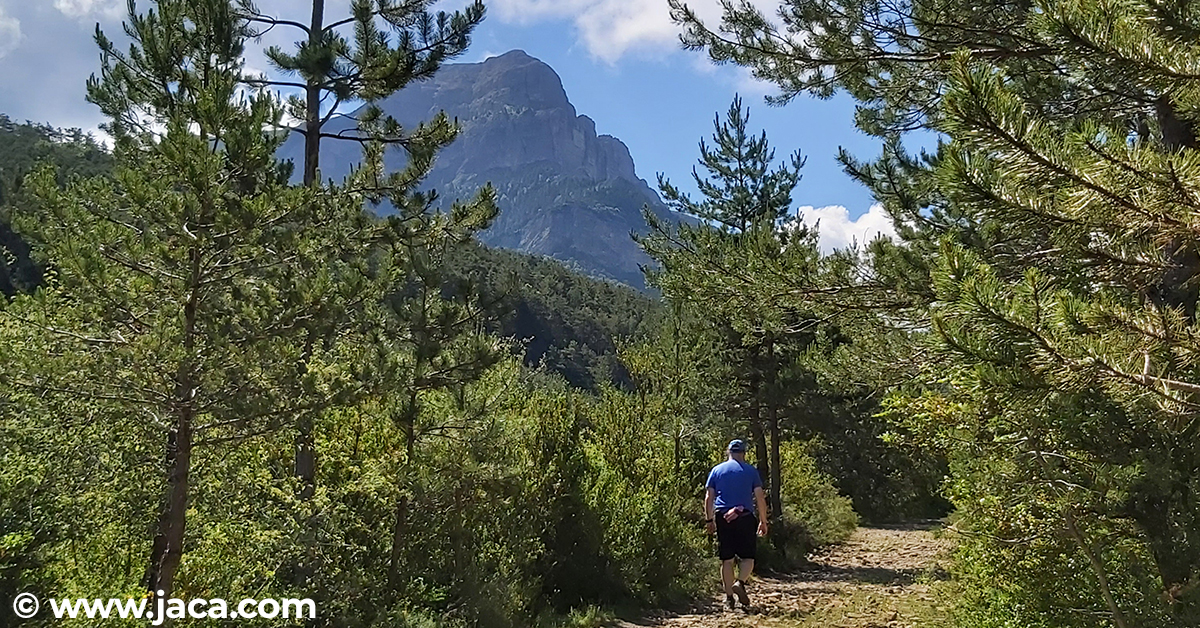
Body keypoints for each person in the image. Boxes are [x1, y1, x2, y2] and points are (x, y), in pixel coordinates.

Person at [704, 439, 769, 611]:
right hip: (745, 517)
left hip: (723, 517)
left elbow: (708, 498)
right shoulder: (751, 471)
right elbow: (760, 497)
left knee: (727, 559)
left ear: (728, 452)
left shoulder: (716, 470)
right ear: (744, 453)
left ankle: (728, 598)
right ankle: (739, 582)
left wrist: (709, 520)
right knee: (748, 557)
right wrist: (763, 520)